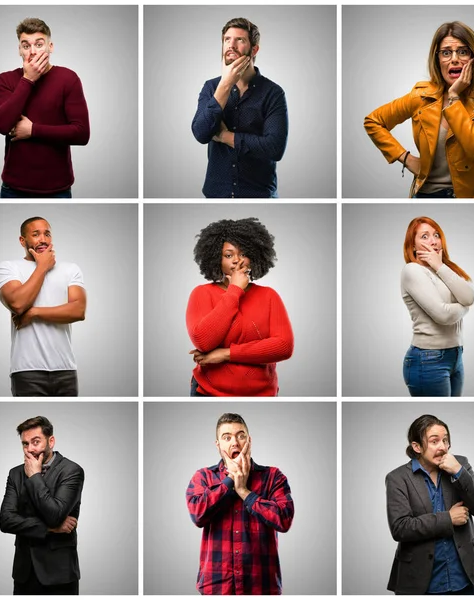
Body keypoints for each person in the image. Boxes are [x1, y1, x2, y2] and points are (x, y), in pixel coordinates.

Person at [364, 21, 474, 198]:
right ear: (437, 59)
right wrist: (406, 159)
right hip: (427, 194)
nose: (454, 58)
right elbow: (373, 121)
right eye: (446, 53)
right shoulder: (421, 96)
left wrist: (454, 96)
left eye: (462, 52)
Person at [186, 413, 294, 595]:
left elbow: (284, 520)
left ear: (249, 441)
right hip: (217, 587)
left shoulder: (273, 477)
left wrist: (245, 492)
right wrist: (230, 480)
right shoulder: (203, 477)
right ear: (218, 445)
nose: (235, 442)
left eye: (240, 435)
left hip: (261, 587)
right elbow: (198, 515)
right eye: (226, 437)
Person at [186, 218, 293, 396]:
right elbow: (204, 341)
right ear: (215, 259)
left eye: (243, 254)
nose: (237, 260)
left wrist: (226, 354)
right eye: (228, 255)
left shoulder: (269, 296)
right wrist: (235, 290)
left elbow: (284, 347)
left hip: (262, 395)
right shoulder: (201, 293)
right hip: (208, 393)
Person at [385, 414, 474, 594]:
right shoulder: (397, 478)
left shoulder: (461, 464)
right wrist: (447, 519)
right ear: (416, 446)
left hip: (463, 578)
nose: (443, 447)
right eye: (434, 441)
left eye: (445, 440)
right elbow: (400, 528)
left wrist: (458, 472)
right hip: (421, 582)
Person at [191, 18, 288, 198]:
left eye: (240, 40)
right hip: (216, 194)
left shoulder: (273, 93)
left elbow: (275, 148)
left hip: (259, 195)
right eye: (227, 40)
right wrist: (225, 85)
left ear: (254, 49)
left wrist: (225, 136)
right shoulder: (211, 88)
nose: (231, 45)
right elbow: (200, 133)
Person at [0, 18, 90, 198]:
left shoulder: (68, 79)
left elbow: (82, 133)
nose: (33, 51)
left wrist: (33, 130)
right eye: (26, 45)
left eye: (39, 44)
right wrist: (28, 80)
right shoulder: (6, 80)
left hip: (58, 189)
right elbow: (2, 126)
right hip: (13, 188)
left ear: (50, 47)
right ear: (19, 50)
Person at [0, 216, 86, 396]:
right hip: (27, 371)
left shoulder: (70, 269)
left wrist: (35, 312)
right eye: (36, 234)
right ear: (23, 240)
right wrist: (42, 266)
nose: (43, 239)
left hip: (66, 370)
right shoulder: (9, 267)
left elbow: (78, 310)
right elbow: (18, 303)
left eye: (47, 234)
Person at [0, 416, 85, 595]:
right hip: (24, 573)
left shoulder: (72, 471)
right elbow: (6, 521)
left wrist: (34, 476)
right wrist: (50, 529)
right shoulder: (15, 474)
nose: (29, 449)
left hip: (59, 574)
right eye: (25, 443)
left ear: (51, 441)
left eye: (35, 442)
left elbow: (55, 515)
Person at [401, 217, 474, 396]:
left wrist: (440, 265)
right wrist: (465, 308)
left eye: (436, 235)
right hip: (428, 360)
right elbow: (443, 315)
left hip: (456, 356)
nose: (433, 240)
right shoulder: (412, 270)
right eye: (424, 237)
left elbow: (469, 296)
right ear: (413, 246)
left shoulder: (446, 269)